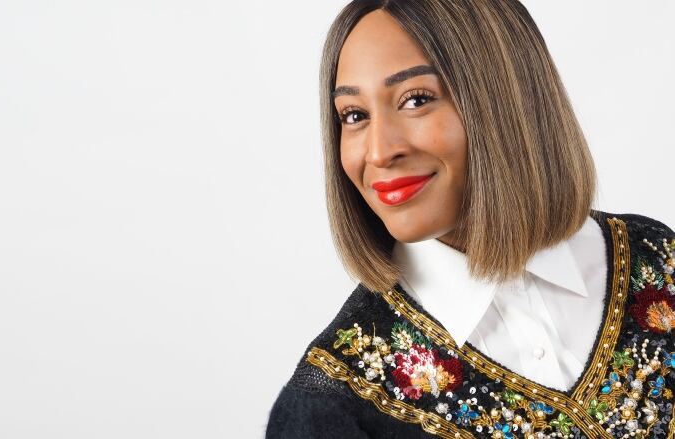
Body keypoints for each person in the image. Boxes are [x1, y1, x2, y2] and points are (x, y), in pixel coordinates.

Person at [264, 1, 675, 438]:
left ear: (507, 98)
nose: (380, 151)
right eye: (355, 116)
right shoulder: (332, 403)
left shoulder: (658, 261)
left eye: (416, 100)